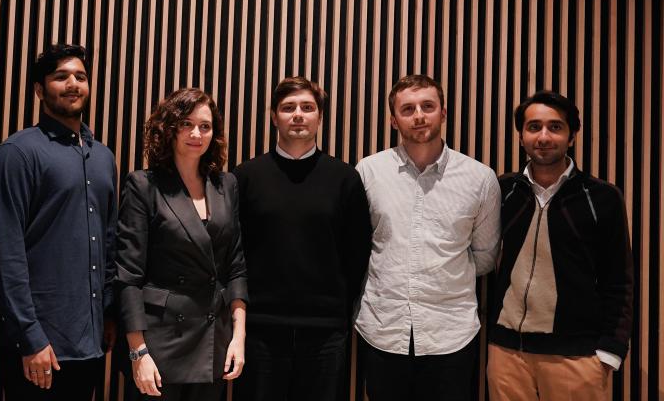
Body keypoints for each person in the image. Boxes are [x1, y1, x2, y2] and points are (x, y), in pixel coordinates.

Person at [354, 74, 501, 401]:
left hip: (450, 334)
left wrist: (441, 275)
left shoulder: (479, 179)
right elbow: (358, 248)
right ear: (394, 119)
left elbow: (486, 256)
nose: (418, 115)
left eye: (427, 106)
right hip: (382, 330)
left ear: (443, 113)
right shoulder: (368, 172)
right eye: (408, 109)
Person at [0, 44, 118, 400]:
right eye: (61, 76)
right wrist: (30, 336)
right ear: (40, 90)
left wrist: (107, 313)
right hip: (38, 345)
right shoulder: (18, 153)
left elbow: (108, 240)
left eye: (80, 76)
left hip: (89, 341)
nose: (73, 83)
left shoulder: (103, 157)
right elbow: (5, 253)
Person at [231, 76, 372, 401]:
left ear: (319, 117)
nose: (298, 115)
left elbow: (357, 254)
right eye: (288, 107)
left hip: (325, 333)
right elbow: (234, 252)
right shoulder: (246, 177)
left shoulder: (345, 179)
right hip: (259, 330)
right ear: (273, 116)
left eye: (307, 108)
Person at [487, 91, 633, 401]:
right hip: (507, 352)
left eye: (555, 127)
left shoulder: (601, 198)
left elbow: (618, 279)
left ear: (572, 137)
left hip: (577, 356)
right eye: (534, 126)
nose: (543, 136)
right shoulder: (503, 191)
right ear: (521, 136)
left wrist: (610, 350)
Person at [116, 88, 248, 400]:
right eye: (186, 124)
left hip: (214, 339)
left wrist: (238, 337)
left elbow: (236, 267)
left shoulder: (226, 185)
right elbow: (128, 277)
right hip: (159, 346)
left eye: (205, 126)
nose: (196, 134)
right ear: (170, 129)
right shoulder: (144, 185)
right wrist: (138, 353)